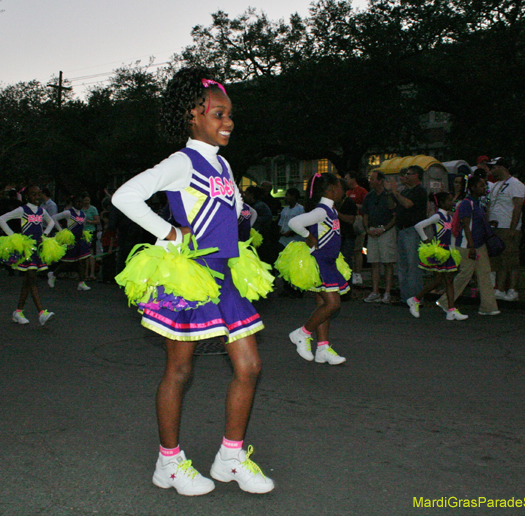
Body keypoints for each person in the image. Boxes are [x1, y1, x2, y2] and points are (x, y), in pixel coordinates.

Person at [111, 68, 273, 496]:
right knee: (179, 370)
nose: (229, 122)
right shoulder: (182, 162)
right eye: (219, 113)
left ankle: (230, 457)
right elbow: (124, 196)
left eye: (230, 115)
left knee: (250, 366)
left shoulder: (222, 163)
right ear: (194, 115)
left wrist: (243, 217)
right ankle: (168, 462)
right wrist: (168, 233)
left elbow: (233, 208)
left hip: (226, 275)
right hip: (191, 277)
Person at [287, 172, 349, 364]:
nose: (343, 192)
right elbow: (294, 222)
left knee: (323, 306)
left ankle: (323, 348)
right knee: (333, 304)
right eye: (340, 188)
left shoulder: (332, 211)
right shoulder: (322, 210)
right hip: (321, 263)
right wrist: (307, 235)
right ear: (331, 190)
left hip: (329, 261)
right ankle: (302, 333)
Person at [436, 176, 500, 316]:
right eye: (481, 185)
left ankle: (488, 306)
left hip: (478, 243)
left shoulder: (476, 203)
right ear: (473, 188)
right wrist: (471, 246)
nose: (484, 188)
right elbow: (466, 225)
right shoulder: (467, 204)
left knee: (484, 274)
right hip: (467, 244)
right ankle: (446, 301)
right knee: (465, 274)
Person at [0, 184, 57, 325]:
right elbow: (1, 219)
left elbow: (51, 222)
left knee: (28, 281)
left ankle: (18, 312)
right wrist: (14, 237)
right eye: (34, 194)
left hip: (37, 248)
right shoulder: (22, 210)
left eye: (38, 194)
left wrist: (45, 234)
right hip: (26, 248)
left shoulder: (41, 211)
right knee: (31, 277)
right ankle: (41, 313)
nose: (37, 197)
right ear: (27, 196)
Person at [407, 192, 468, 320]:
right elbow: (419, 226)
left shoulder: (449, 218)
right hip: (439, 252)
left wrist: (452, 249)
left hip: (447, 251)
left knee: (447, 281)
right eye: (449, 200)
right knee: (438, 281)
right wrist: (425, 239)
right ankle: (415, 299)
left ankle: (451, 310)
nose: (452, 203)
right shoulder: (437, 216)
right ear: (442, 203)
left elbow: (450, 235)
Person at [487, 157, 525, 301]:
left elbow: (518, 207)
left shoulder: (515, 184)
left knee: (511, 259)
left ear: (502, 167)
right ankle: (500, 288)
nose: (491, 170)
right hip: (495, 228)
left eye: (494, 167)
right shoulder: (496, 185)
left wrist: (513, 228)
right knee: (499, 260)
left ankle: (513, 290)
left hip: (508, 227)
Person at [388, 165, 428, 303]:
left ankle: (415, 297)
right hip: (402, 230)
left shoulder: (420, 191)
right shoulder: (405, 191)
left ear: (416, 176)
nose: (406, 177)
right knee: (403, 265)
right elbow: (392, 206)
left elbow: (408, 205)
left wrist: (396, 192)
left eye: (409, 174)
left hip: (412, 230)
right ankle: (405, 297)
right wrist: (391, 193)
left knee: (413, 265)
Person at [362, 170, 396, 303]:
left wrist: (384, 229)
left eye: (373, 179)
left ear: (381, 181)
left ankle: (387, 292)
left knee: (388, 261)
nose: (370, 181)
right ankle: (375, 291)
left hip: (386, 230)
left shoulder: (389, 195)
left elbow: (394, 214)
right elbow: (365, 214)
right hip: (372, 230)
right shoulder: (369, 196)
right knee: (374, 262)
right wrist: (367, 229)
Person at [49, 195, 92, 291]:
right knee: (68, 262)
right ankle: (53, 274)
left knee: (83, 261)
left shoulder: (83, 215)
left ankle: (81, 282)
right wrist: (61, 231)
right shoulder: (68, 213)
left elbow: (82, 226)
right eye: (78, 202)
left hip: (80, 240)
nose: (80, 204)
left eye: (81, 202)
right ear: (73, 203)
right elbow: (54, 217)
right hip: (71, 240)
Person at [344, 171, 367, 285]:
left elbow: (366, 206)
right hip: (348, 223)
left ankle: (358, 274)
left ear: (353, 179)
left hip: (358, 222)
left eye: (347, 178)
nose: (346, 181)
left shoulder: (362, 191)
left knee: (358, 249)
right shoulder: (347, 192)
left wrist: (356, 206)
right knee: (350, 250)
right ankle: (351, 273)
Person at [80, 192, 100, 281]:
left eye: (88, 200)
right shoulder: (80, 209)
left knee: (90, 253)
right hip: (82, 232)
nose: (87, 202)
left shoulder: (93, 209)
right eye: (85, 200)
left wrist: (89, 221)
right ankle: (84, 273)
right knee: (83, 253)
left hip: (91, 231)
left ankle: (91, 273)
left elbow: (97, 221)